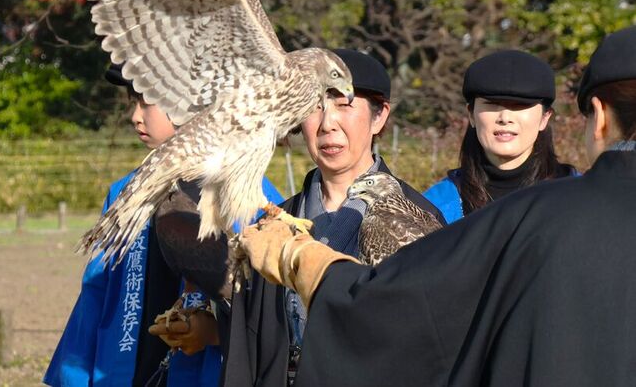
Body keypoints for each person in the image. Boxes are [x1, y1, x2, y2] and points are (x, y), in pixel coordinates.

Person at [239, 25, 636, 386]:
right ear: (471, 114)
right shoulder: (464, 201)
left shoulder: (540, 213)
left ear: (598, 115)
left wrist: (304, 262)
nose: (504, 119)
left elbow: (410, 305)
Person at [44, 64, 282, 387]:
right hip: (124, 372)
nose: (135, 116)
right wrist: (73, 378)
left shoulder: (249, 195)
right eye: (132, 101)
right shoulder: (125, 193)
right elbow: (96, 291)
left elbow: (271, 312)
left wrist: (213, 332)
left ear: (189, 102)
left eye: (146, 101)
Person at [221, 49, 445, 387]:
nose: (328, 124)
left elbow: (430, 339)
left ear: (379, 116)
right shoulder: (277, 223)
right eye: (315, 107)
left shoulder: (418, 218)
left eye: (344, 105)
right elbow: (249, 342)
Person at [425, 50, 577, 223]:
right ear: (471, 114)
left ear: (545, 118)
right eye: (492, 104)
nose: (505, 118)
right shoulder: (434, 207)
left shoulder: (581, 198)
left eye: (520, 106)